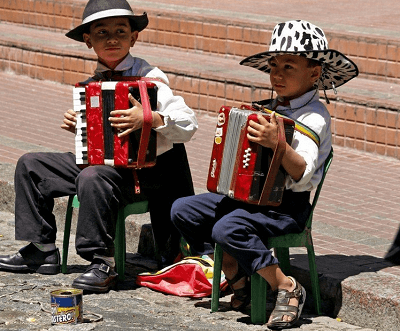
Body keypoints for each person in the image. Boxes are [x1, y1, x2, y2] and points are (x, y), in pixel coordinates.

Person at [171, 20, 358, 329]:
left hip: (287, 207)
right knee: (183, 210)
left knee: (227, 228)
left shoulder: (314, 116)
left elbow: (301, 172)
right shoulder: (271, 107)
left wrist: (277, 143)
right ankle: (237, 275)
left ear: (314, 73)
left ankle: (285, 286)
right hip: (252, 201)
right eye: (274, 65)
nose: (277, 74)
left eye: (288, 66)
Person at [0, 0, 198, 293]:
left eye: (121, 31)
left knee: (92, 176)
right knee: (31, 164)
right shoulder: (92, 84)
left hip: (145, 174)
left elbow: (189, 124)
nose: (112, 39)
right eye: (102, 33)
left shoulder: (152, 78)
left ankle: (102, 260)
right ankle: (42, 248)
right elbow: (95, 142)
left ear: (134, 37)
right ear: (88, 41)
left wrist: (150, 117)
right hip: (106, 167)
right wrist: (79, 124)